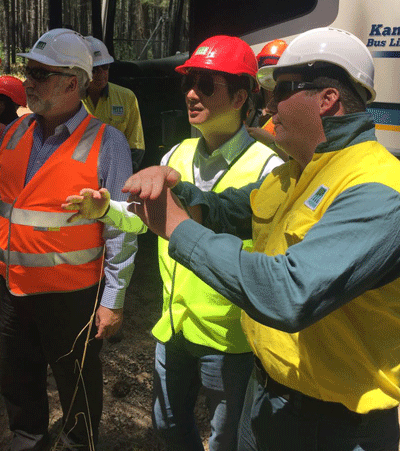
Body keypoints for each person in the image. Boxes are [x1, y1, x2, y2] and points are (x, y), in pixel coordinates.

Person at [118, 27, 400, 451]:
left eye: (280, 90)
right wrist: (175, 190)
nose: (267, 105)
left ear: (327, 99)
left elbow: (288, 292)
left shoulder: (379, 189)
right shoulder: (294, 173)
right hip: (267, 395)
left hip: (334, 427)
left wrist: (177, 227)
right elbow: (227, 210)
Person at [64, 34, 283, 451]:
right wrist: (107, 209)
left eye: (206, 84)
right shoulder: (175, 155)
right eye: (188, 82)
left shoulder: (267, 167)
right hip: (174, 328)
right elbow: (144, 220)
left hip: (230, 339)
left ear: (240, 98)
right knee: (168, 427)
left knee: (226, 441)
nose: (191, 94)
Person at [0, 28, 139, 451]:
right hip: (11, 288)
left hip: (71, 295)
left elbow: (122, 229)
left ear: (72, 84)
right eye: (28, 70)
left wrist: (112, 300)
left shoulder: (108, 142)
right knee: (17, 380)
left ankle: (78, 444)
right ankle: (27, 440)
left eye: (40, 73)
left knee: (77, 383)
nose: (28, 81)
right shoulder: (15, 133)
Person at [83, 36, 145, 172]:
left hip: (117, 171)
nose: (101, 73)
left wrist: (121, 175)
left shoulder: (127, 97)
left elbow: (136, 147)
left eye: (105, 67)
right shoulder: (73, 100)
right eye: (94, 69)